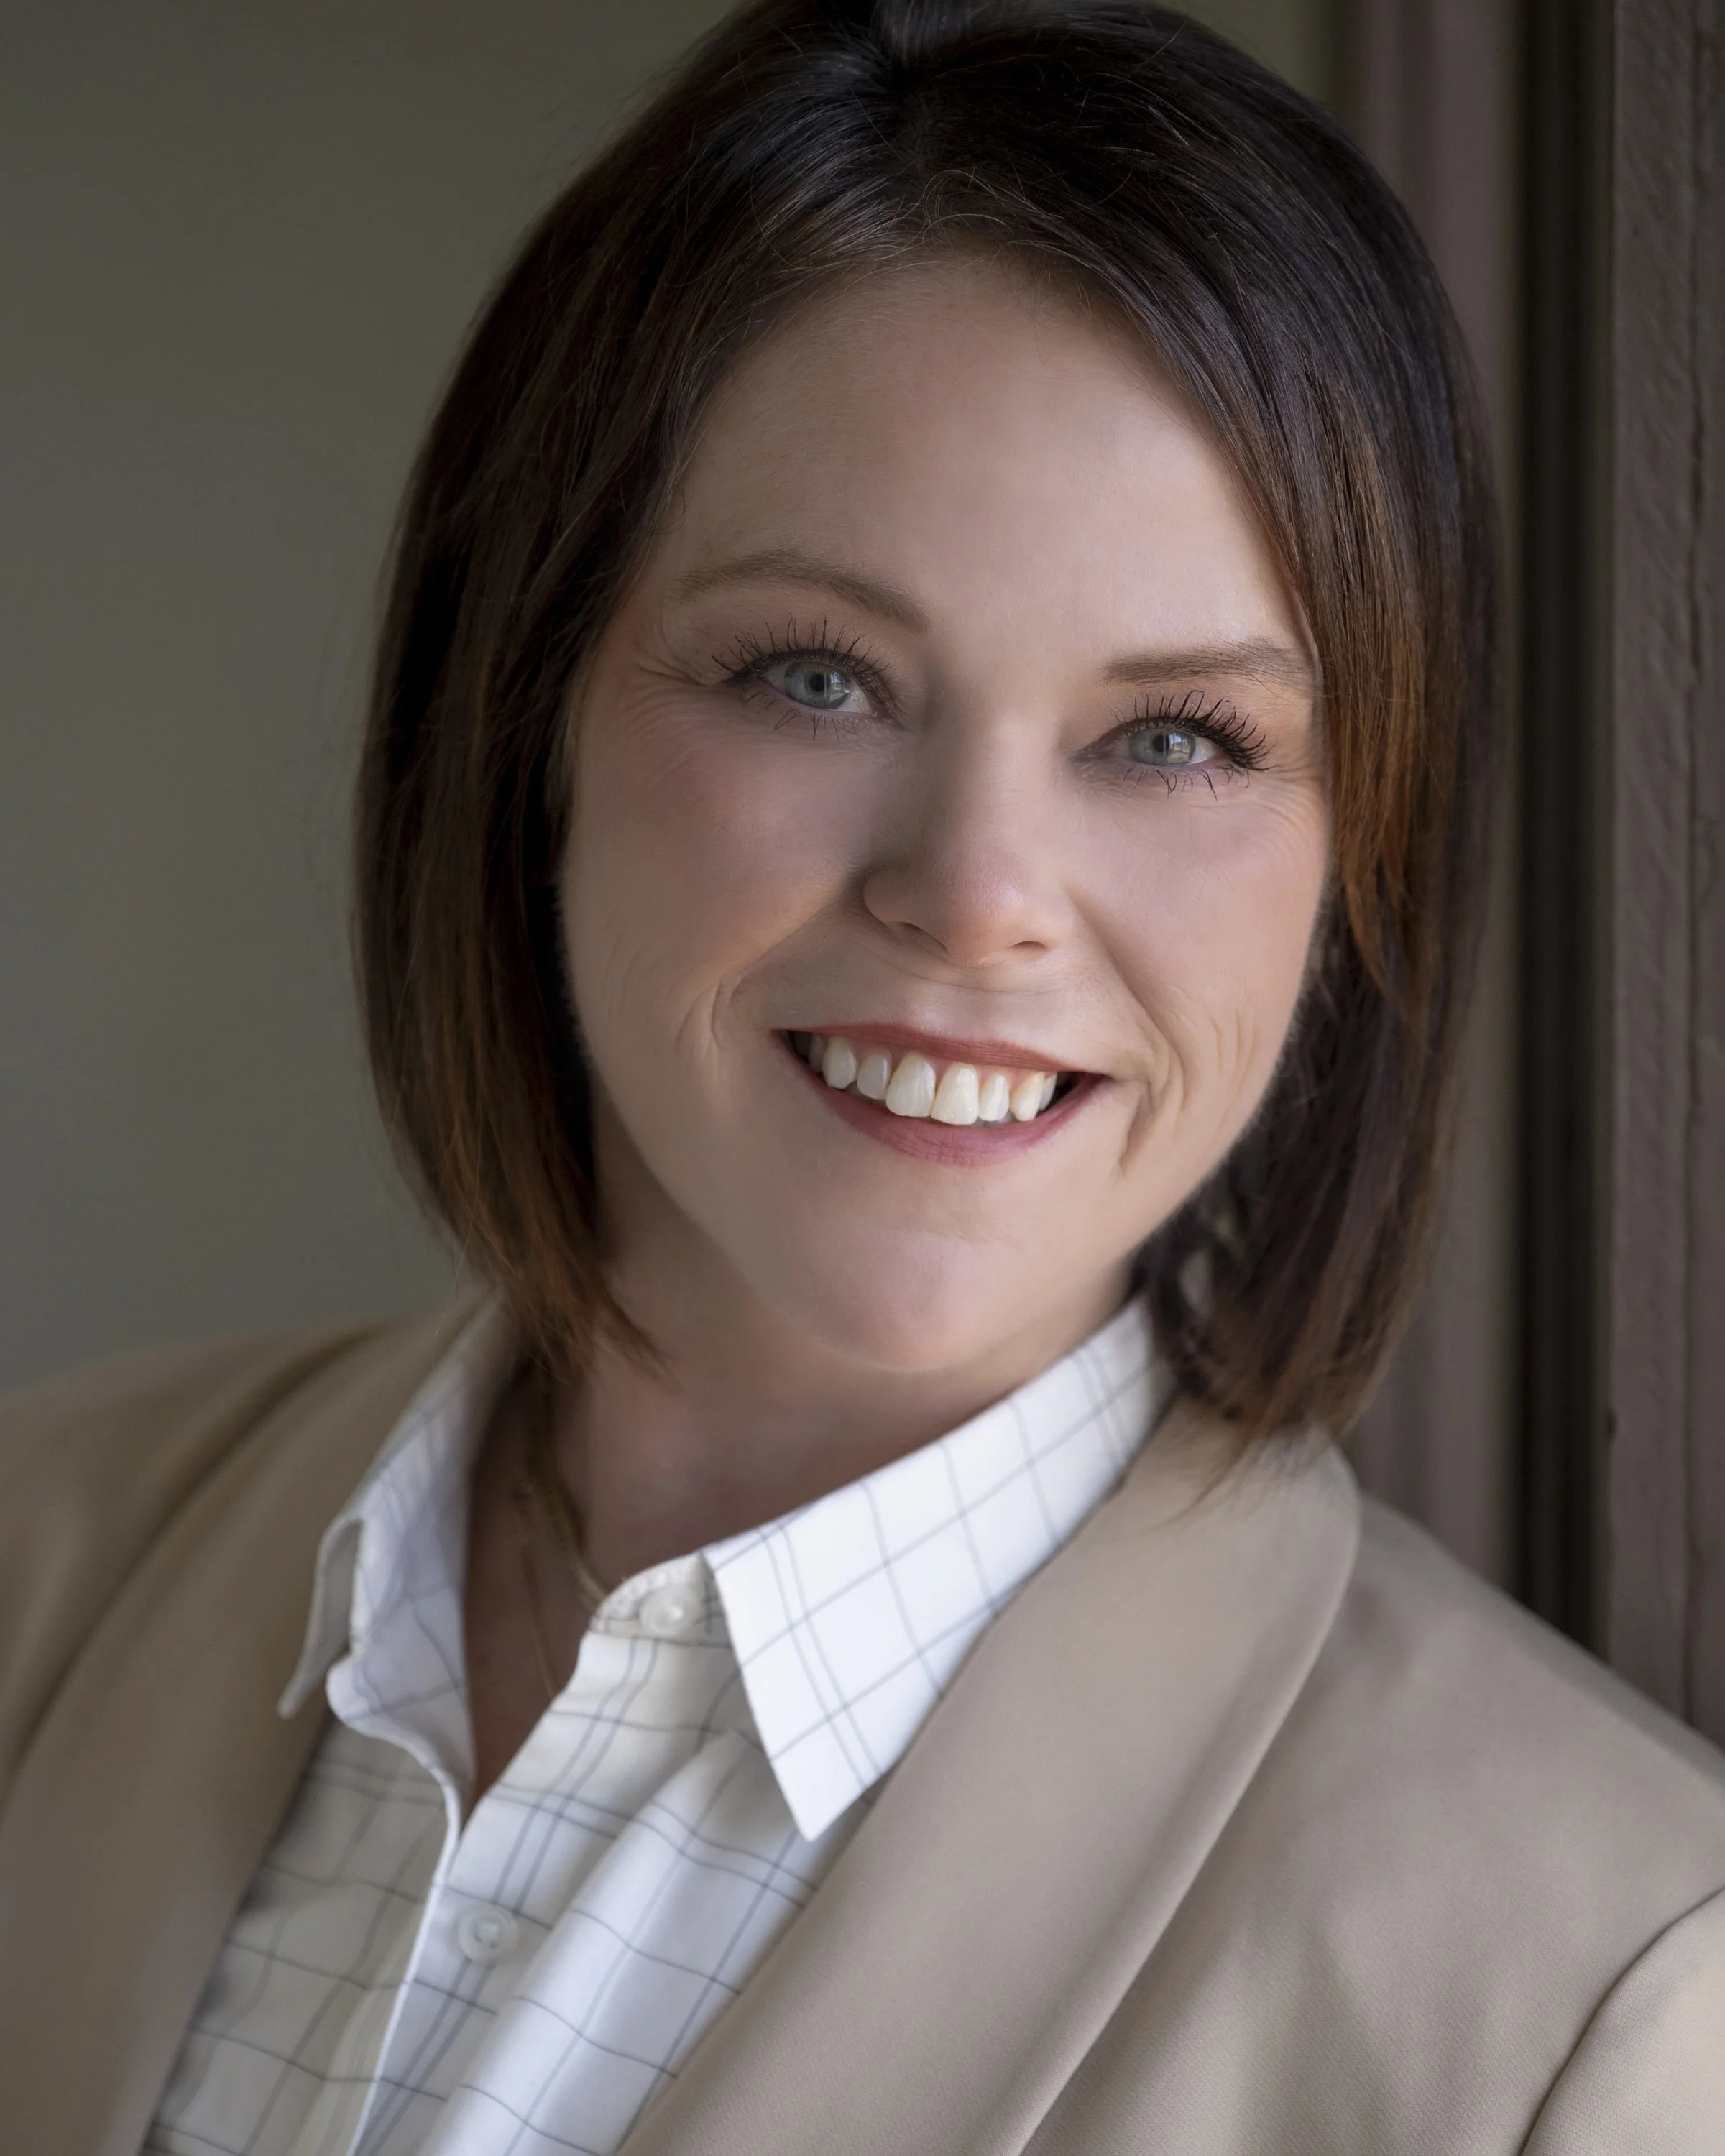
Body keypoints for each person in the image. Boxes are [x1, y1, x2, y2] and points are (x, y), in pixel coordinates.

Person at [4, 1, 1722, 2150]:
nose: (985, 898)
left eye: (1178, 737)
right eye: (818, 676)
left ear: (1360, 847)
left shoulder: (1603, 2006)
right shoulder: (31, 1572)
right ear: (523, 700)